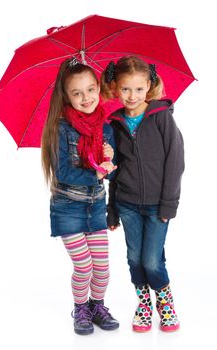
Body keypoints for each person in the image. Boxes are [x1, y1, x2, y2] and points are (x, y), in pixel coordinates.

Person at [101, 55, 184, 332]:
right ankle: (144, 304)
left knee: (152, 258)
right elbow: (113, 173)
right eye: (125, 89)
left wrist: (169, 204)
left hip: (158, 204)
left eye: (138, 89)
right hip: (127, 204)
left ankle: (166, 303)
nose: (132, 95)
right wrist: (111, 209)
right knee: (134, 258)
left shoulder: (161, 117)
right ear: (115, 88)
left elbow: (175, 161)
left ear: (149, 85)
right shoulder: (114, 124)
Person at [41, 57, 119, 335]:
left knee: (103, 268)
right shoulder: (60, 128)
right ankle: (81, 308)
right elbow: (62, 173)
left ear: (99, 88)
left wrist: (109, 159)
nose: (86, 98)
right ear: (67, 96)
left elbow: (110, 172)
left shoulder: (106, 127)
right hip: (68, 209)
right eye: (77, 93)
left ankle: (97, 305)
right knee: (84, 266)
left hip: (95, 206)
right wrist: (96, 174)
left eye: (90, 89)